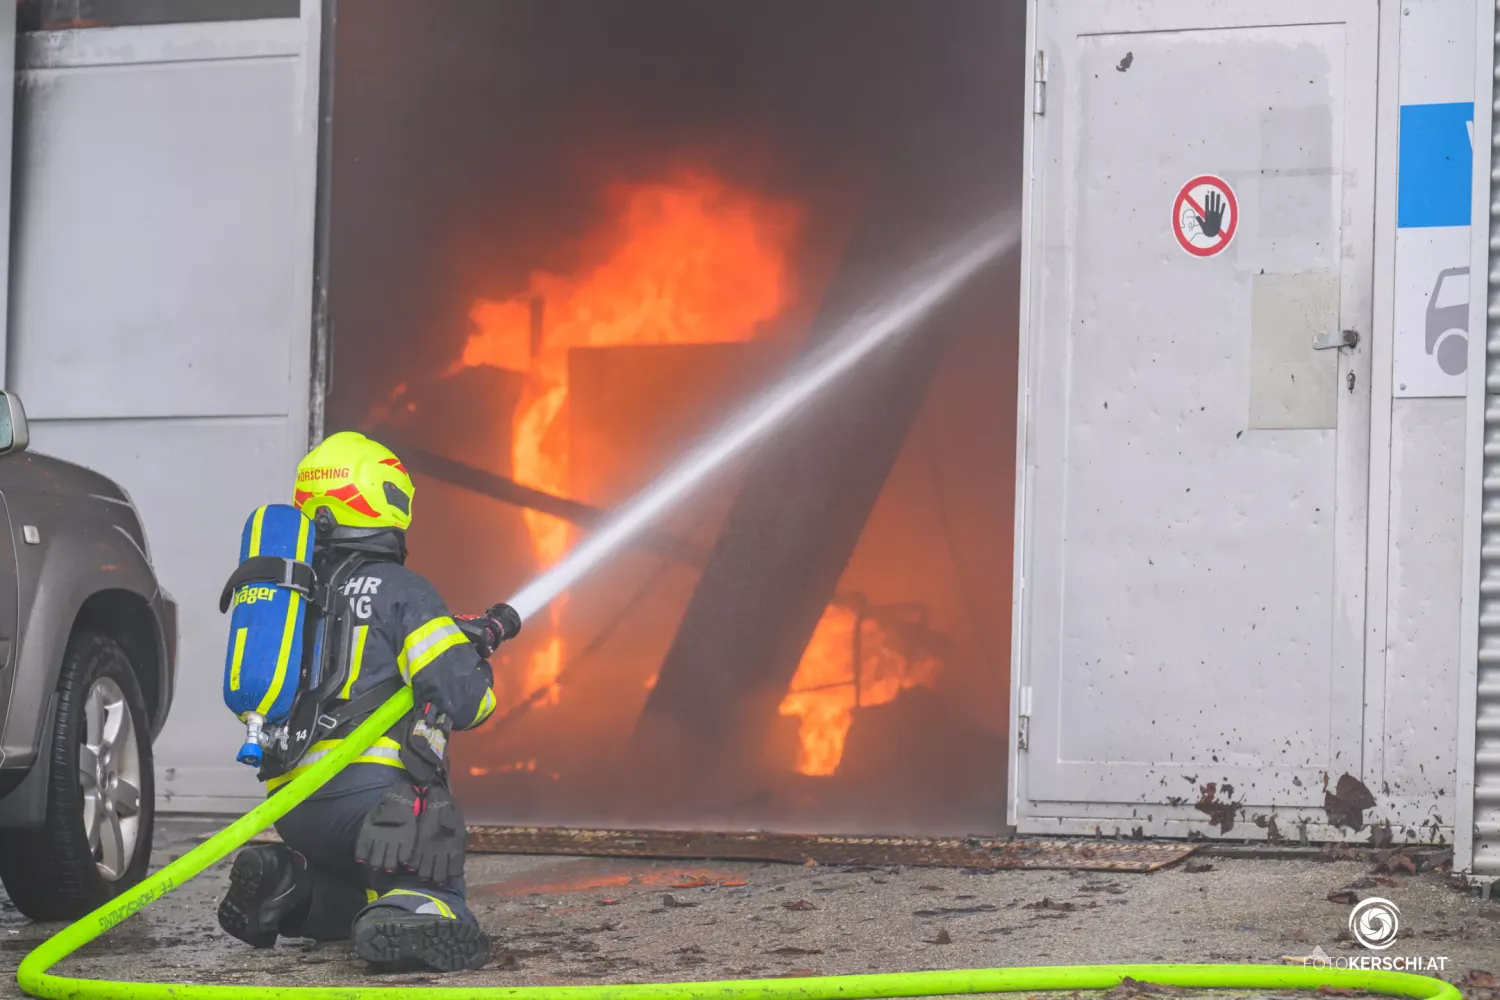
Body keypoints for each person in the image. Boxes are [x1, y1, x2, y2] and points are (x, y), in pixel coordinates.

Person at [216, 431, 519, 972]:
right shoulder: (401, 588)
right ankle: (425, 907)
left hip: (293, 808)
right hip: (376, 804)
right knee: (432, 828)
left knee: (357, 890)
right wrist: (469, 655)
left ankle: (291, 888)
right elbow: (468, 700)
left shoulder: (294, 594)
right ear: (381, 501)